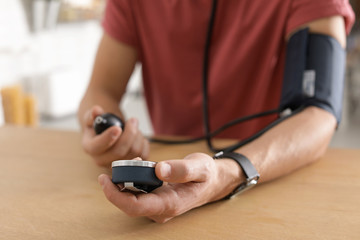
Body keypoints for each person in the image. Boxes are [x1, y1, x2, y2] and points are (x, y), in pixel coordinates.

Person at [78, 0, 354, 223]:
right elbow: (100, 91)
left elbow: (318, 113)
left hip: (270, 181)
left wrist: (227, 174)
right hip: (167, 174)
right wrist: (107, 133)